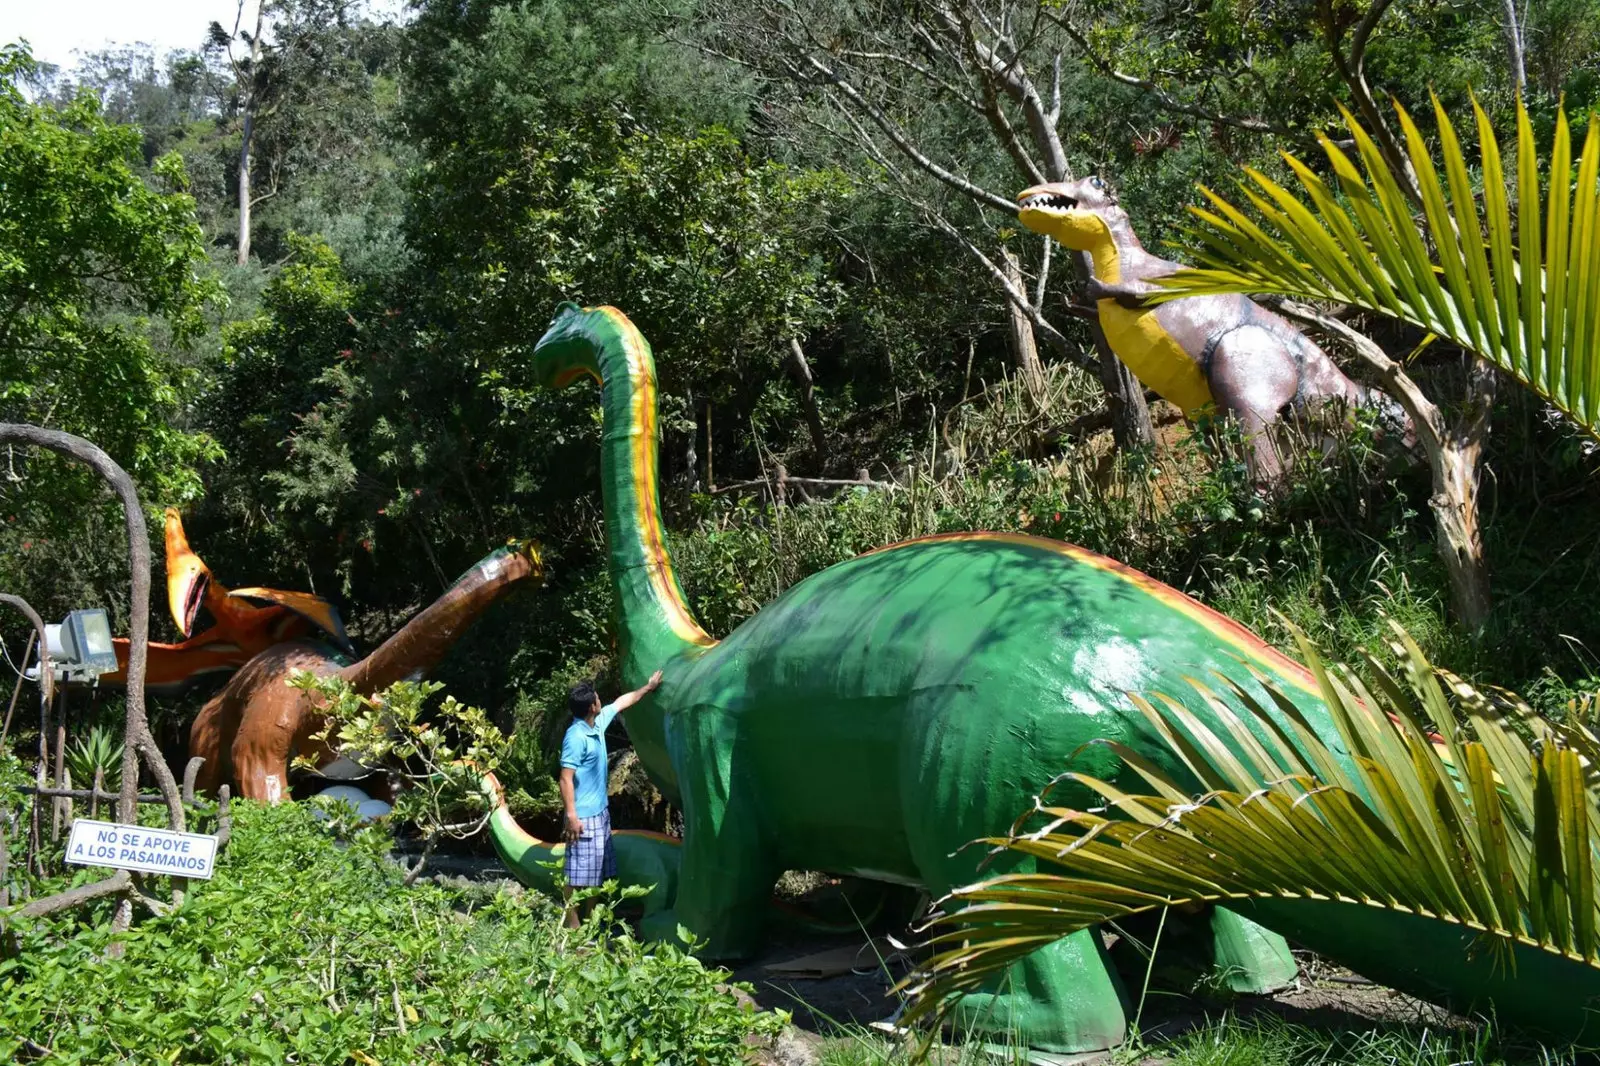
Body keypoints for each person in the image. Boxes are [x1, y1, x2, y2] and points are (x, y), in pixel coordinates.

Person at [558, 670, 663, 927]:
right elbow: (565, 778)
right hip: (583, 815)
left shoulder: (597, 722)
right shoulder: (576, 736)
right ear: (591, 706)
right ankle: (573, 928)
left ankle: (590, 922)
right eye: (597, 698)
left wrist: (647, 688)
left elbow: (620, 702)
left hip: (600, 812)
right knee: (576, 874)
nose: (601, 700)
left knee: (595, 872)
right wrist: (571, 816)